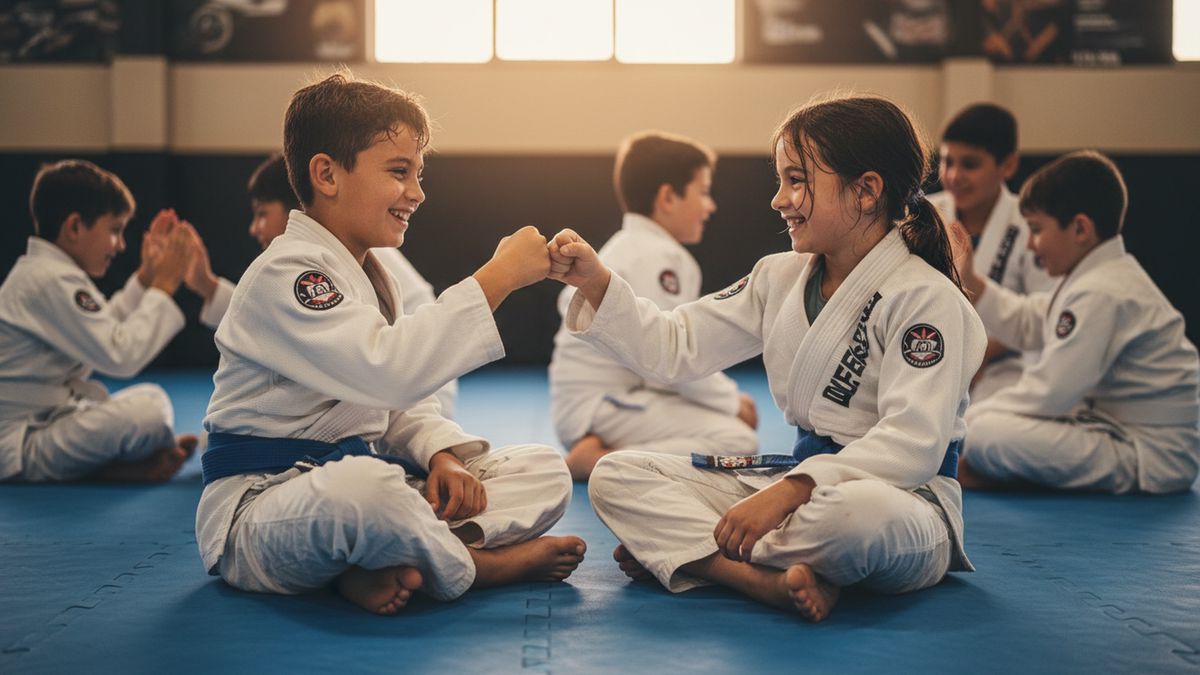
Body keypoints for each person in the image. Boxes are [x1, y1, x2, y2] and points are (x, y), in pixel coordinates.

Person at [548, 95, 986, 622]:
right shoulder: (777, 278)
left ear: (867, 191)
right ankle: (755, 576)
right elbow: (675, 345)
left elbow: (913, 443)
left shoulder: (927, 299)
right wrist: (597, 282)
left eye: (797, 180)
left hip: (902, 501)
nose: (779, 200)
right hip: (796, 489)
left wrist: (792, 492)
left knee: (852, 520)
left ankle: (695, 554)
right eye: (780, 181)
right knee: (616, 475)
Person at [195, 71, 584, 615]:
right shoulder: (289, 273)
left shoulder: (370, 277)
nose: (417, 193)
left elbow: (391, 404)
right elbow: (387, 372)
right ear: (327, 174)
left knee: (543, 470)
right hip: (263, 506)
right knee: (371, 490)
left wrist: (441, 456)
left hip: (355, 488)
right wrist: (498, 277)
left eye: (418, 174)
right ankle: (475, 566)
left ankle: (377, 561)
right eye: (399, 172)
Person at [954, 150, 1200, 493]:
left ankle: (999, 469)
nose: (1031, 245)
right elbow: (1030, 320)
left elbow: (1050, 394)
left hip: (1150, 454)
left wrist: (964, 425)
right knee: (984, 423)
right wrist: (972, 282)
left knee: (986, 434)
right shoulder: (1098, 278)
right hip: (1117, 431)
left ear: (1080, 229)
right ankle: (996, 465)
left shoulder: (1101, 291)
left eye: (1036, 230)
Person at [549, 131, 758, 480]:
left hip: (598, 405)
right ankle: (602, 461)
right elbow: (673, 354)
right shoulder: (658, 258)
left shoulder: (627, 247)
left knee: (726, 425)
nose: (710, 206)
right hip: (604, 406)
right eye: (704, 192)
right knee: (738, 440)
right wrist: (731, 401)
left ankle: (605, 453)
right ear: (668, 198)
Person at [0, 159, 211, 482]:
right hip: (21, 445)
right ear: (74, 227)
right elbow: (120, 354)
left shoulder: (47, 274)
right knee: (148, 413)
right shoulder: (49, 280)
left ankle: (120, 466)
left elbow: (105, 326)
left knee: (152, 399)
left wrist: (146, 277)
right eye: (114, 230)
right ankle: (113, 469)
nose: (121, 245)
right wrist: (163, 285)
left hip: (47, 422)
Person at [238, 153, 459, 416]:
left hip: (418, 391)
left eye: (262, 213)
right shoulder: (303, 263)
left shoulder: (350, 255)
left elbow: (383, 367)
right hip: (402, 382)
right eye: (399, 172)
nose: (254, 228)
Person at [929, 102, 1054, 401]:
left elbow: (1045, 313)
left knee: (987, 418)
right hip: (932, 353)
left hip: (1004, 364)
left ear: (1008, 166)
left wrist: (980, 354)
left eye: (970, 164)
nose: (954, 175)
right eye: (947, 162)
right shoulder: (927, 215)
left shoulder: (1031, 225)